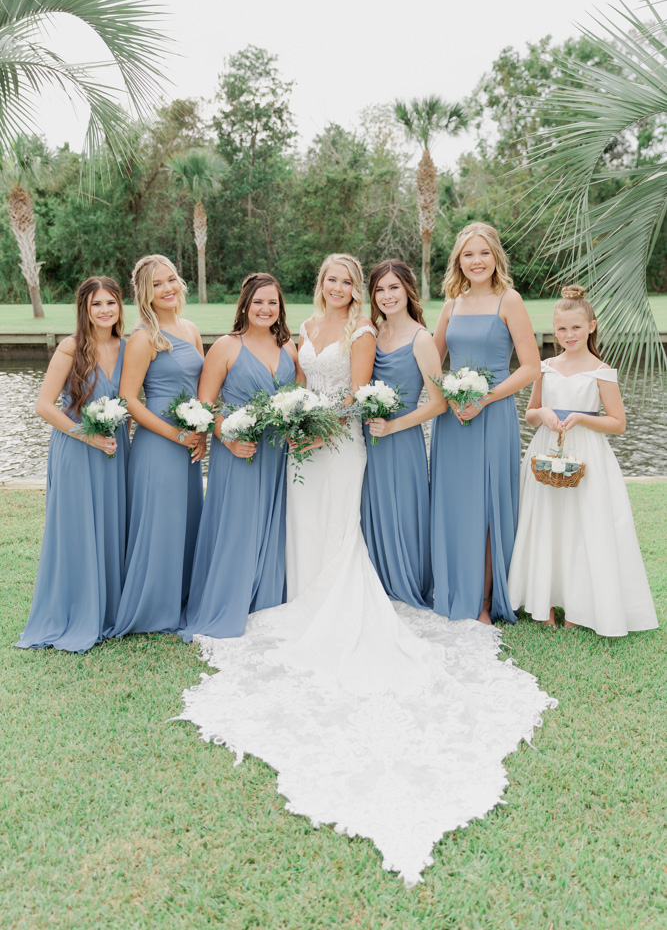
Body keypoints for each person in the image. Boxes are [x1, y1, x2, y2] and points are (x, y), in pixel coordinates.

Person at [177, 252, 555, 885]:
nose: (342, 287)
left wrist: (320, 427)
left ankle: (341, 598)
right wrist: (294, 423)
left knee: (339, 527)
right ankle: (296, 594)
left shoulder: (358, 335)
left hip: (340, 442)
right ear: (320, 285)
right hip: (303, 441)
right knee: (302, 523)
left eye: (350, 281)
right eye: (334, 279)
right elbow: (295, 385)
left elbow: (353, 397)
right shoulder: (298, 333)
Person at [508, 286, 658, 635]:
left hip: (587, 454)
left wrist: (581, 417)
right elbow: (530, 414)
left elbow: (617, 423)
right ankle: (542, 598)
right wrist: (543, 412)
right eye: (561, 329)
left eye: (575, 328)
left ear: (591, 326)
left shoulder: (601, 371)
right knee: (547, 521)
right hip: (547, 450)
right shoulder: (544, 367)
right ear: (554, 330)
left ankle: (578, 603)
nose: (568, 335)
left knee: (582, 524)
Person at [431, 222, 541, 624]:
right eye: (467, 254)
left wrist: (485, 398)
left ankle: (484, 601)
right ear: (458, 261)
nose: (476, 261)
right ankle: (452, 586)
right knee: (455, 503)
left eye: (483, 253)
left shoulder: (508, 300)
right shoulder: (451, 305)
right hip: (453, 420)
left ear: (495, 256)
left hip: (492, 415)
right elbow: (431, 363)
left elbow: (531, 366)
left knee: (490, 505)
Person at [179, 273, 297, 642]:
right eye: (258, 302)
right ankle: (227, 601)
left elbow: (299, 400)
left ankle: (267, 600)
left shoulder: (289, 347)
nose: (265, 309)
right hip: (239, 452)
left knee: (274, 526)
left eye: (272, 302)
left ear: (280, 308)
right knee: (237, 526)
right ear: (245, 304)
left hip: (278, 455)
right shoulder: (227, 347)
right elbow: (205, 405)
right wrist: (228, 440)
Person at [16, 276, 129, 652]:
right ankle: (75, 610)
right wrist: (88, 436)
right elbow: (44, 406)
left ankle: (109, 608)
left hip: (115, 449)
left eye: (110, 303)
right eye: (96, 304)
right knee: (79, 529)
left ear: (119, 307)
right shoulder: (71, 347)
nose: (104, 311)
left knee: (112, 525)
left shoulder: (127, 347)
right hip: (78, 449)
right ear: (84, 308)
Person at [111, 255, 205, 638]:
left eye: (171, 280)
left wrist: (203, 430)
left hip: (190, 442)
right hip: (159, 444)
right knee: (160, 524)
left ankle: (181, 598)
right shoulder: (143, 338)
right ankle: (152, 607)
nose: (167, 289)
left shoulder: (191, 328)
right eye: (157, 285)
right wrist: (177, 435)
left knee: (185, 521)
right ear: (144, 294)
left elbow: (203, 389)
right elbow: (130, 400)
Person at [360, 259, 445, 607]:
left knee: (402, 510)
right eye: (379, 289)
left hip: (401, 437)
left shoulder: (421, 339)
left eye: (394, 287)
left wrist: (393, 425)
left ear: (408, 290)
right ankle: (373, 582)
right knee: (369, 509)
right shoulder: (370, 331)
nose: (386, 295)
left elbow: (439, 403)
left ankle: (405, 583)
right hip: (367, 437)